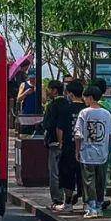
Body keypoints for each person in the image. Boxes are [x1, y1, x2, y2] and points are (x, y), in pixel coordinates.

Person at [75, 82, 111, 218]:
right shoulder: (106, 114)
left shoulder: (84, 113)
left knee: (88, 181)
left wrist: (77, 151)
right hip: (102, 153)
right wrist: (107, 149)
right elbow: (110, 134)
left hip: (87, 153)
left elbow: (78, 134)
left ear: (90, 98)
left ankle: (91, 207)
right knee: (100, 181)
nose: (84, 100)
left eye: (85, 97)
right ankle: (99, 206)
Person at [58, 77, 86, 210]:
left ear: (71, 94)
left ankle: (67, 203)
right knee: (84, 175)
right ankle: (87, 203)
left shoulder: (65, 109)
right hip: (85, 148)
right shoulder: (87, 109)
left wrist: (60, 143)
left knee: (67, 174)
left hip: (69, 146)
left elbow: (60, 128)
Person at [39, 79, 66, 210]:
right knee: (66, 171)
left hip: (55, 142)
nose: (48, 92)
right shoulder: (68, 103)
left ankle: (57, 199)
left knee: (54, 172)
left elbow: (47, 124)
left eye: (49, 89)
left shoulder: (52, 106)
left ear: (54, 90)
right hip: (69, 143)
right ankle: (68, 199)